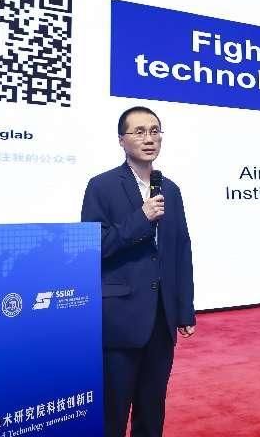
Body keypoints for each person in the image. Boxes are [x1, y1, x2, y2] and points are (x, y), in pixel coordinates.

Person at [81, 106, 196, 437]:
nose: (149, 139)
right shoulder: (102, 186)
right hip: (121, 318)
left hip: (162, 319)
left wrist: (184, 309)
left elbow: (180, 250)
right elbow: (95, 246)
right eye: (140, 132)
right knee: (112, 412)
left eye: (155, 131)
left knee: (152, 409)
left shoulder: (170, 189)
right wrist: (140, 218)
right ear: (122, 140)